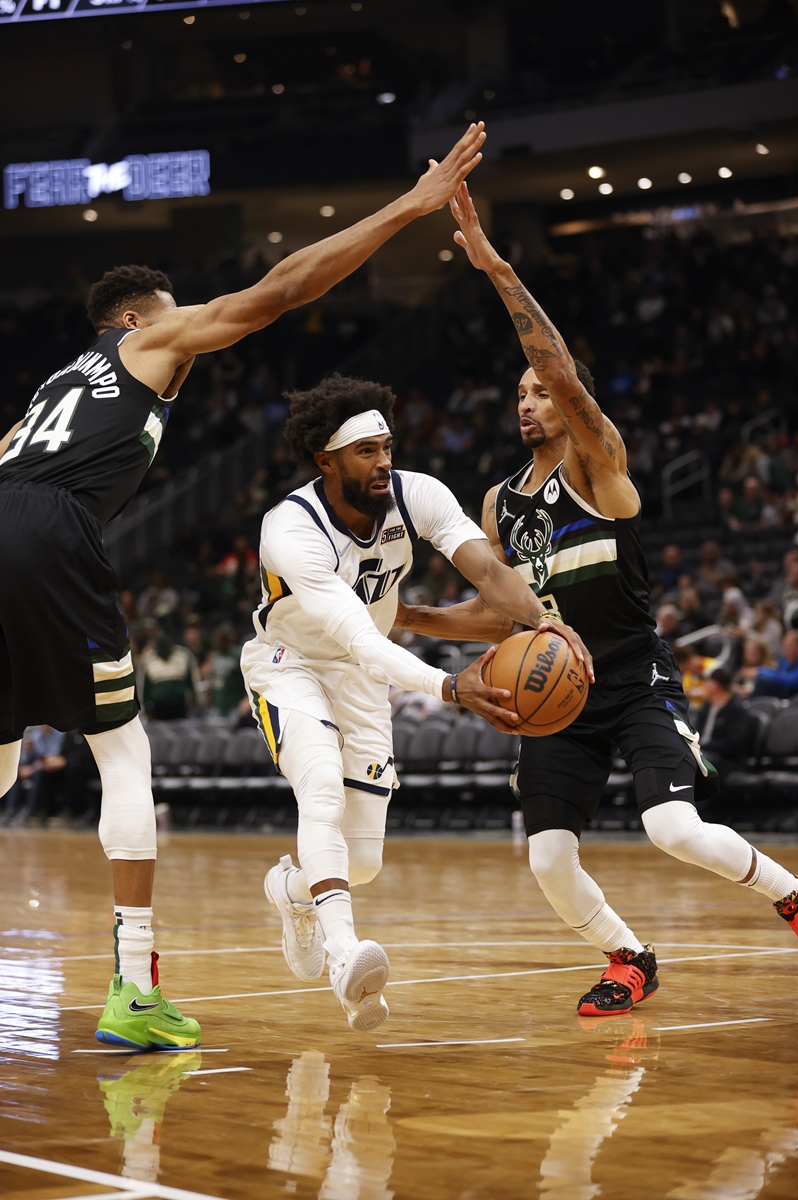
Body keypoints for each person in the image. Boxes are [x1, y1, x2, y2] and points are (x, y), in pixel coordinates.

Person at [0, 120, 488, 1050]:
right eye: (177, 321)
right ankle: (134, 988)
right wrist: (407, 208)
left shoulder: (50, 394)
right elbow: (277, 292)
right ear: (139, 318)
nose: (190, 348)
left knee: (1, 761)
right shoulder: (144, 342)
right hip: (48, 529)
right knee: (122, 754)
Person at [395, 181, 798, 1018]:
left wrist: (498, 268)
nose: (529, 402)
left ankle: (791, 898)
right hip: (561, 696)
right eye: (519, 398)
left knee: (674, 831)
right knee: (547, 858)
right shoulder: (498, 504)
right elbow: (505, 613)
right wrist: (405, 616)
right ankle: (628, 956)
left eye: (538, 392)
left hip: (632, 674)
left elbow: (559, 367)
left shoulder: (598, 465)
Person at [241, 373, 591, 1033]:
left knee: (363, 861)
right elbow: (359, 637)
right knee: (319, 789)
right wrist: (449, 685)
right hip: (292, 664)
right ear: (327, 461)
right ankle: (346, 960)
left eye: (386, 446)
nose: (382, 462)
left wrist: (546, 621)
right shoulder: (290, 529)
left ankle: (291, 891)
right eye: (365, 452)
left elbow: (488, 571)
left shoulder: (418, 494)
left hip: (363, 678)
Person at [695, 669, 760, 786]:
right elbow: (695, 731)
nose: (704, 685)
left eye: (707, 682)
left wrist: (704, 746)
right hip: (705, 752)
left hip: (728, 759)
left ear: (715, 685)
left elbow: (734, 744)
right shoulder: (707, 707)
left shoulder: (738, 710)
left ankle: (698, 803)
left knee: (699, 763)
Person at [744, 630, 798, 699]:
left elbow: (791, 681)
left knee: (762, 682)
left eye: (790, 645)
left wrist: (760, 671)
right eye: (784, 645)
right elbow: (778, 674)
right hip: (781, 693)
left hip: (793, 697)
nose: (786, 648)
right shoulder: (785, 662)